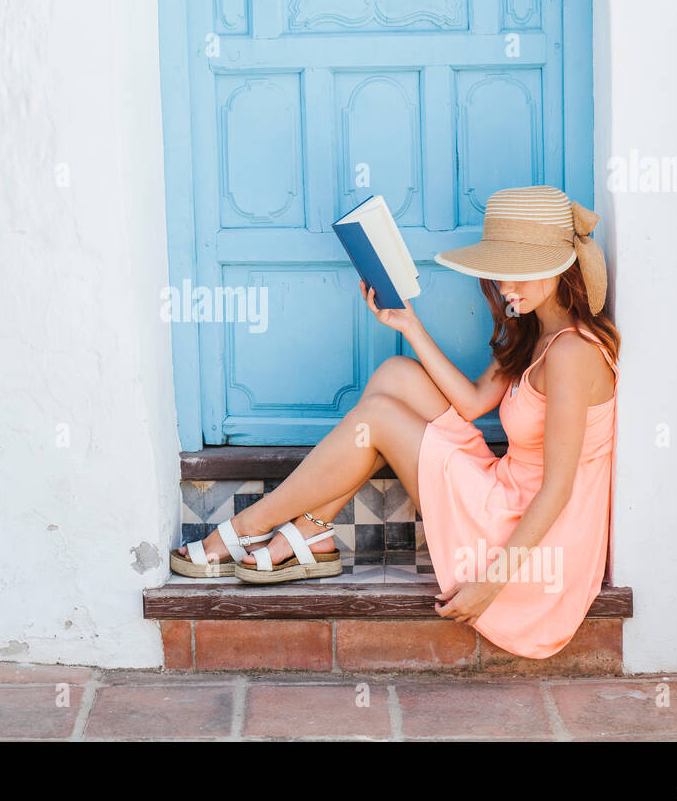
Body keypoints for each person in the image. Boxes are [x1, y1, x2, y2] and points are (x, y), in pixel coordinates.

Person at [168, 185, 620, 659]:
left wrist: (490, 585)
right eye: (498, 270)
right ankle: (311, 530)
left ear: (556, 264)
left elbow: (559, 490)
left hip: (529, 545)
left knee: (380, 417)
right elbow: (469, 404)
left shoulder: (572, 353)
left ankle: (245, 527)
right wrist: (408, 323)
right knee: (395, 375)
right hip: (505, 496)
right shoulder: (540, 333)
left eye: (516, 272)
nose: (504, 286)